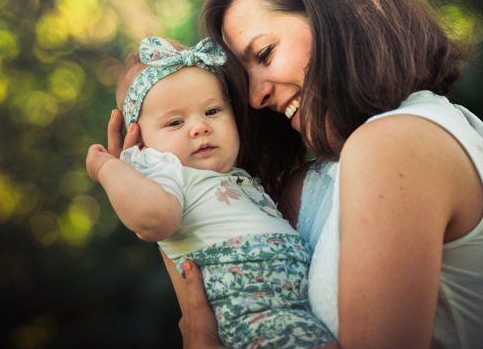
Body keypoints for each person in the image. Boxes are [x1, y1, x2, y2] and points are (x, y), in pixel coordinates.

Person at [105, 0, 483, 349]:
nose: (255, 96)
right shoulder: (315, 183)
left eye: (264, 54)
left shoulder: (398, 143)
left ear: (344, 10)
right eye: (244, 77)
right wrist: (155, 173)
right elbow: (205, 285)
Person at [86, 36, 336, 348]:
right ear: (142, 146)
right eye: (176, 121)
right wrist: (109, 168)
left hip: (291, 308)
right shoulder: (165, 172)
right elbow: (154, 219)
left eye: (213, 111)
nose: (200, 127)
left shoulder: (238, 178)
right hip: (250, 314)